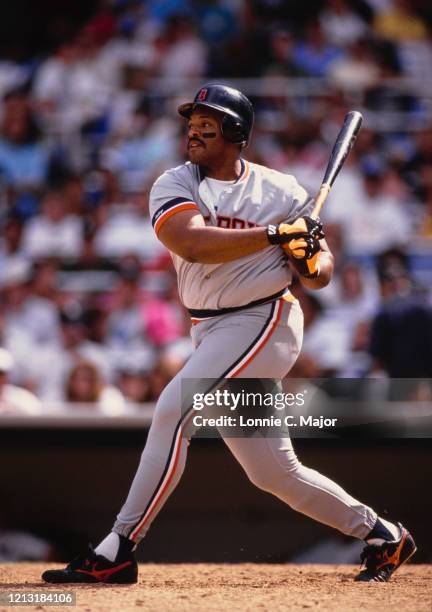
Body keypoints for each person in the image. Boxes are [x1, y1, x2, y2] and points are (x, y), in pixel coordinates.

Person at [42, 84, 416, 585]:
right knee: (273, 472)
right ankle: (384, 535)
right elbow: (191, 242)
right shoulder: (174, 182)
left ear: (235, 134)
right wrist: (273, 235)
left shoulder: (281, 191)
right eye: (191, 122)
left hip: (266, 320)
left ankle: (119, 547)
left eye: (207, 123)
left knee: (173, 410)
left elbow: (321, 273)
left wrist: (308, 253)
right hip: (210, 328)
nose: (193, 131)